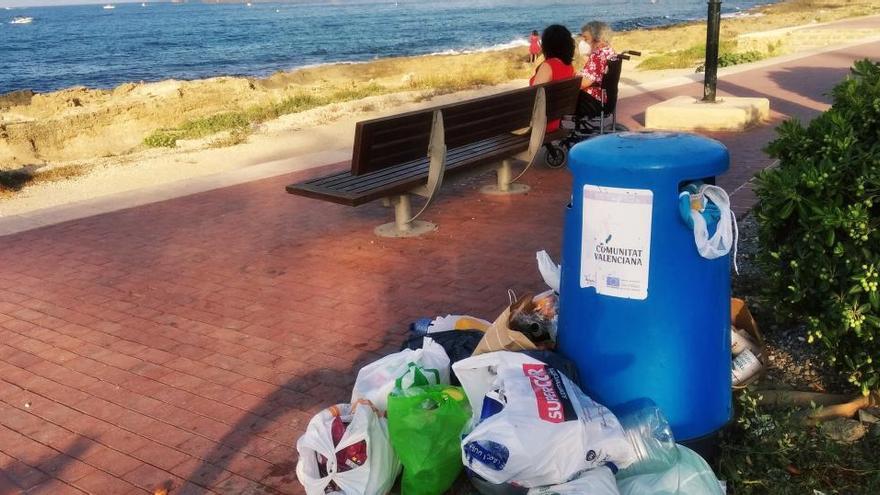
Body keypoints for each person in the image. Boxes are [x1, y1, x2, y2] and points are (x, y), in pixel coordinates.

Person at [529, 24, 575, 132]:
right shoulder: (569, 67)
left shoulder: (548, 66)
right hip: (555, 119)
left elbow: (534, 95)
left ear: (547, 45)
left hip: (541, 123)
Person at [577, 21, 616, 121]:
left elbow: (584, 83)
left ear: (597, 38)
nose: (584, 42)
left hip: (593, 101)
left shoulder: (597, 56)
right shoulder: (610, 52)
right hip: (607, 98)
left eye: (586, 39)